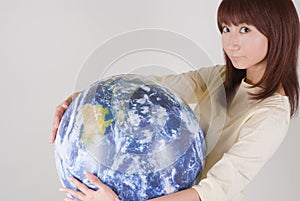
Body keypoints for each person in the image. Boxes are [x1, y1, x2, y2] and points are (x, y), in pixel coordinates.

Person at [50, 0, 300, 201]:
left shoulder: (272, 114)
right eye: (226, 28)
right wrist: (85, 99)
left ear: (278, 33)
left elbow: (214, 190)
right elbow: (156, 87)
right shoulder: (221, 77)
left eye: (245, 29)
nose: (231, 43)